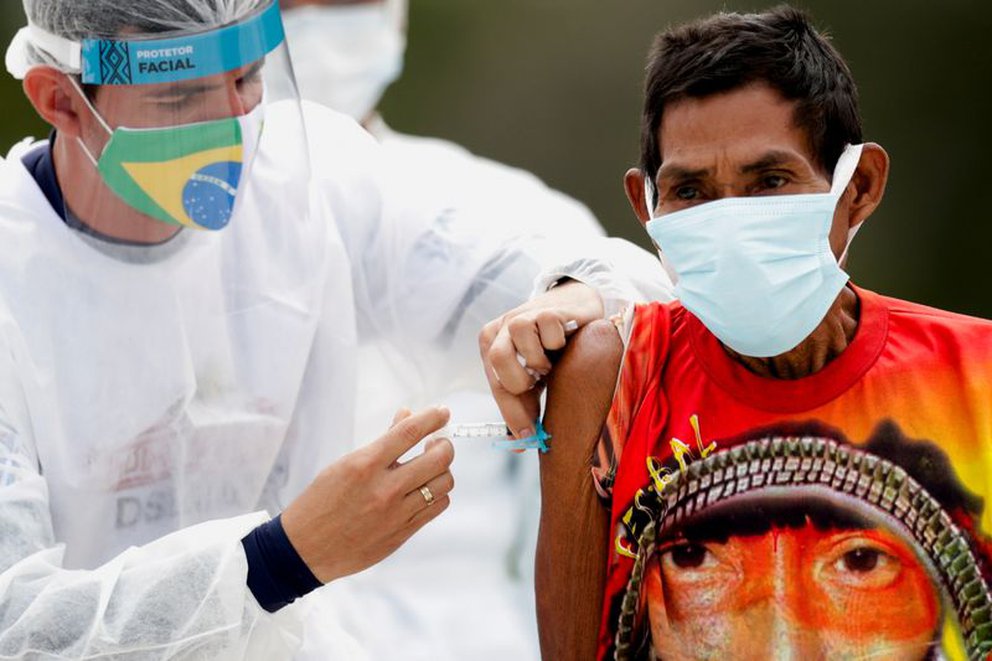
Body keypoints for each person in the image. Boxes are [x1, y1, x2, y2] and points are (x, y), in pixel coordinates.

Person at [0, 0, 669, 657]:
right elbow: (18, 624)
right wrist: (281, 558)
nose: (236, 125)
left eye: (249, 78)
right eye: (181, 99)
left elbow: (614, 279)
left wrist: (569, 297)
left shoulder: (316, 184)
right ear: (59, 98)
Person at [523, 6, 992, 660]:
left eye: (770, 181)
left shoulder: (977, 377)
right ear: (646, 207)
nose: (732, 225)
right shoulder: (614, 379)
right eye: (690, 192)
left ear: (857, 188)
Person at [278, 1, 634, 658]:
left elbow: (578, 515)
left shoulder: (509, 211)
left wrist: (590, 293)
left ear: (398, 16)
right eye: (289, 2)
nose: (315, 18)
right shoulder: (183, 228)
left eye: (344, 2)